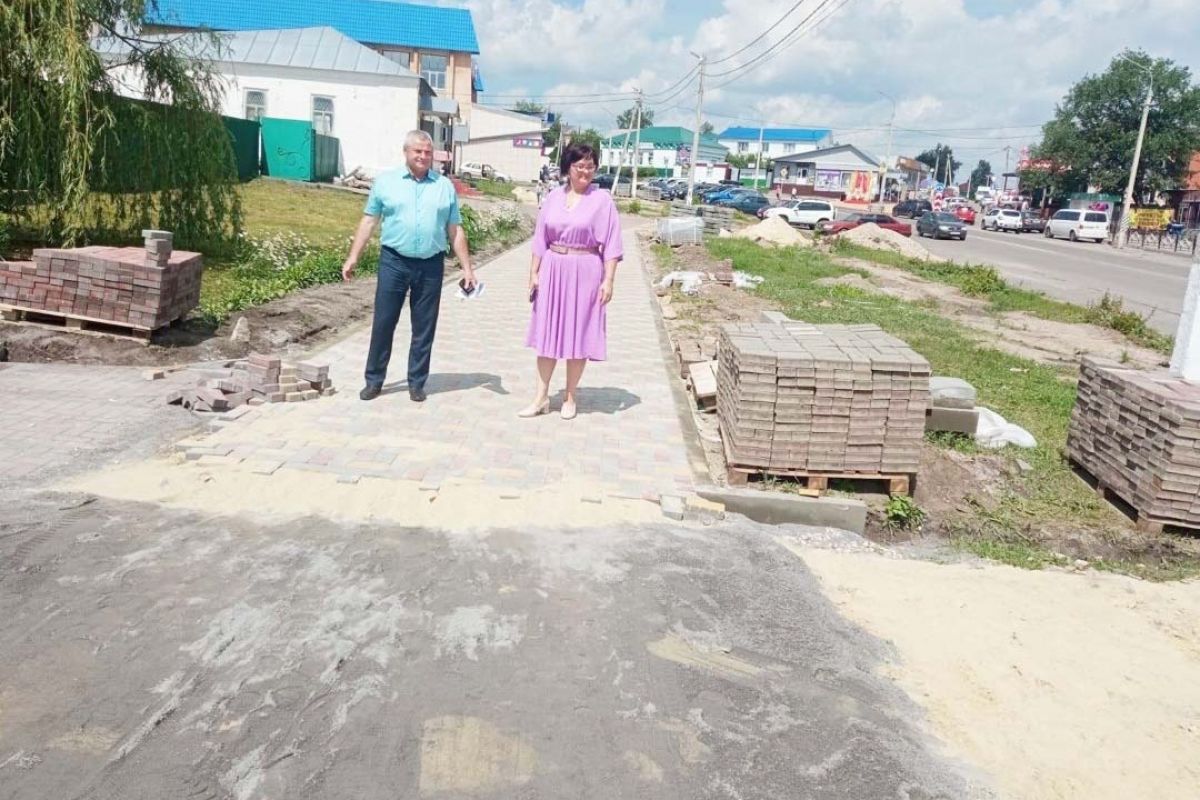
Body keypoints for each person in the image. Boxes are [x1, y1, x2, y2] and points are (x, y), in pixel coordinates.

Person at [341, 130, 475, 403]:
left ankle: (417, 382)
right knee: (384, 322)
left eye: (428, 152)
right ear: (406, 152)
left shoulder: (443, 186)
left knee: (424, 326)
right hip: (394, 262)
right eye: (418, 151)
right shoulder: (386, 182)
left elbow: (455, 228)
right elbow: (369, 221)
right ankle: (374, 380)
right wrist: (353, 255)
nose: (424, 156)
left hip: (430, 265)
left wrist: (467, 268)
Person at [518, 142, 622, 420]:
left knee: (578, 333)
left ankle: (570, 396)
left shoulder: (602, 201)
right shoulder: (553, 197)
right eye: (580, 166)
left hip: (586, 271)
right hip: (553, 268)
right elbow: (540, 238)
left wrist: (609, 280)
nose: (585, 171)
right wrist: (533, 273)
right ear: (568, 168)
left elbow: (612, 243)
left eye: (590, 165)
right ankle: (541, 397)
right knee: (547, 333)